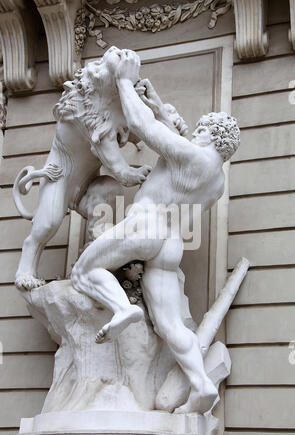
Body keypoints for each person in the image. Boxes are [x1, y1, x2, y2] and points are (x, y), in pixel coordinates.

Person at [71, 49, 240, 414]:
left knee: (83, 271)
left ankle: (121, 310)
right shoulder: (216, 182)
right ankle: (201, 385)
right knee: (169, 325)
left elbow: (144, 128)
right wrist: (160, 105)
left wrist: (123, 80)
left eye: (201, 128)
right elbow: (172, 136)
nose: (194, 130)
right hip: (170, 246)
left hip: (146, 226)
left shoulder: (193, 156)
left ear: (211, 134)